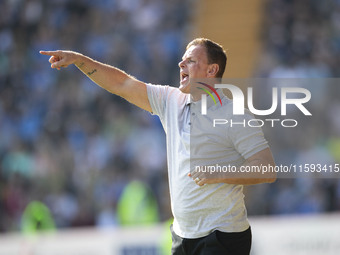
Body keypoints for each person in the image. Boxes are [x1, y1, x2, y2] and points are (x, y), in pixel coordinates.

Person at [40, 38, 276, 255]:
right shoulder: (171, 101)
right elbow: (122, 84)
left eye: (191, 60)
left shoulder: (234, 115)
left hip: (223, 235)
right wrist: (80, 60)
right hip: (182, 236)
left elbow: (267, 169)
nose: (181, 63)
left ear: (212, 70)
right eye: (182, 59)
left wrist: (219, 173)